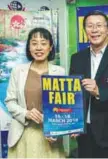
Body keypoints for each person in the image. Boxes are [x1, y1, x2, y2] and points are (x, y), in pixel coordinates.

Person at [69, 10, 108, 158]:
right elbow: (73, 94)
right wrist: (73, 123)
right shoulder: (77, 58)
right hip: (84, 132)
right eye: (90, 26)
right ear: (85, 30)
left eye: (99, 25)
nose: (94, 30)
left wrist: (99, 91)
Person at [5, 27, 66, 158]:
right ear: (29, 48)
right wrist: (26, 113)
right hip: (22, 135)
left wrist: (55, 130)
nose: (39, 48)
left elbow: (64, 106)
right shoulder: (18, 71)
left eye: (43, 43)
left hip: (49, 136)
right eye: (34, 43)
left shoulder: (60, 72)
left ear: (50, 47)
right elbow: (10, 102)